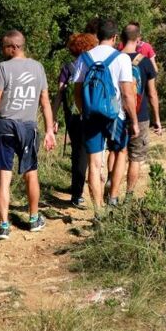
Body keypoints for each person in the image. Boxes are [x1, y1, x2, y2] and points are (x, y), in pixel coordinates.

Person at [0, 30, 57, 239]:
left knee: (3, 177)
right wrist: (50, 130)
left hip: (5, 126)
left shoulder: (2, 68)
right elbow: (45, 101)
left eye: (5, 47)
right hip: (28, 127)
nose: (2, 50)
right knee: (31, 174)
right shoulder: (38, 68)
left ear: (14, 47)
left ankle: (4, 225)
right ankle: (34, 219)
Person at [73, 19, 139, 210]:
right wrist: (133, 120)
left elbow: (77, 92)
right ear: (115, 37)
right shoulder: (121, 58)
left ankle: (97, 210)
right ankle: (113, 197)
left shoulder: (83, 58)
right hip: (115, 115)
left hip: (90, 116)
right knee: (120, 152)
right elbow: (127, 93)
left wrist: (84, 111)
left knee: (94, 162)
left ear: (97, 36)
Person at [51, 32, 99, 207]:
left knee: (78, 153)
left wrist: (54, 117)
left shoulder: (68, 67)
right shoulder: (95, 65)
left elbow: (59, 94)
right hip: (94, 112)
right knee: (92, 152)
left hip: (73, 115)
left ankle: (76, 193)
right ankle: (97, 189)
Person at [120, 26, 162, 198]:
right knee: (135, 158)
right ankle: (129, 195)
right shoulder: (144, 62)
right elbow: (152, 94)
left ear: (120, 39)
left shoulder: (114, 59)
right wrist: (157, 119)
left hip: (117, 114)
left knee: (118, 153)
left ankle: (112, 190)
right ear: (138, 40)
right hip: (141, 115)